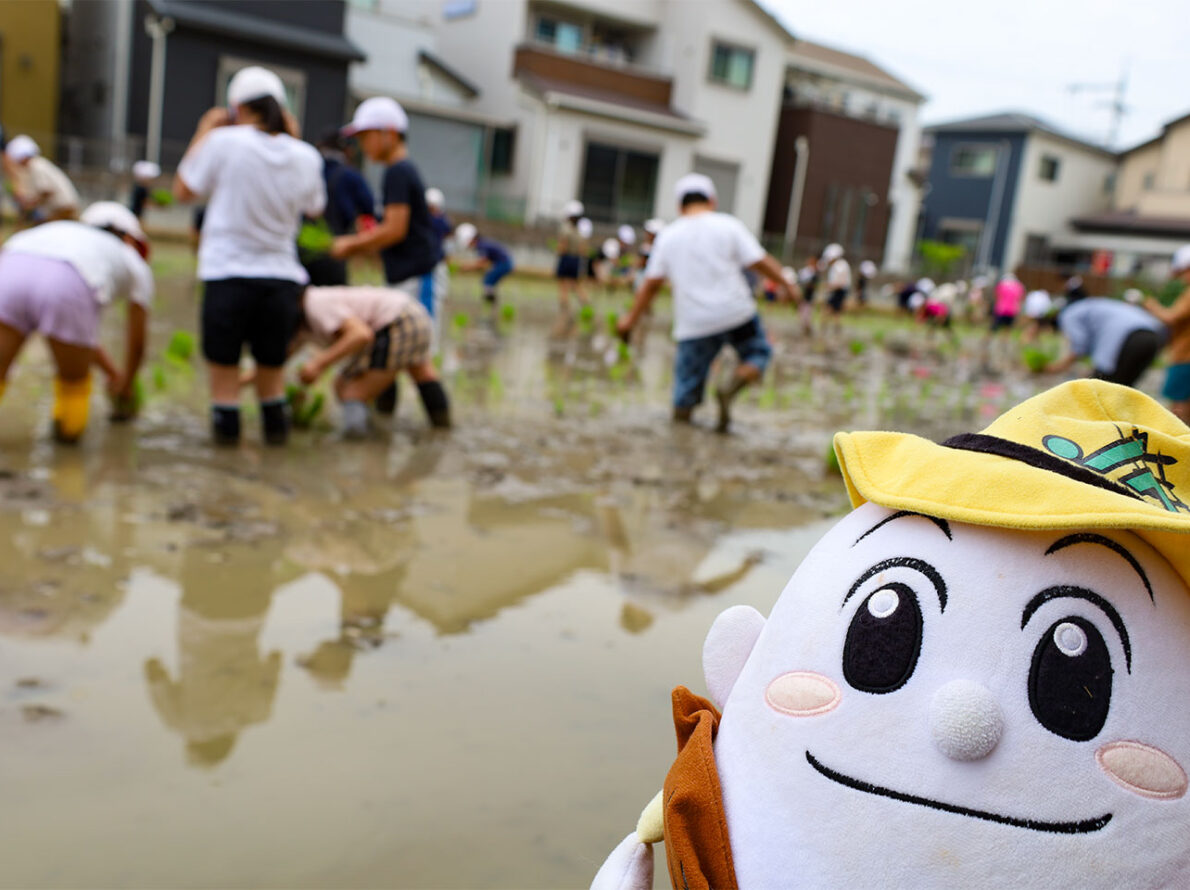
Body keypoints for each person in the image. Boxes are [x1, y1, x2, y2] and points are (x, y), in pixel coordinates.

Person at [173, 65, 326, 446]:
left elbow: (183, 190)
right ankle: (274, 468)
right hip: (281, 281)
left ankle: (226, 480)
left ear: (236, 108)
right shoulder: (306, 155)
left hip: (228, 275)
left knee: (225, 384)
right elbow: (315, 208)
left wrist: (204, 130)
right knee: (271, 381)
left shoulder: (224, 142)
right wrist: (293, 140)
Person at [616, 173, 799, 432]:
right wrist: (788, 285)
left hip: (695, 323)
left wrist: (629, 321)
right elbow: (759, 261)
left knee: (685, 391)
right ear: (712, 201)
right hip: (737, 313)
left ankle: (681, 433)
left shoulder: (668, 236)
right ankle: (731, 385)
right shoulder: (728, 225)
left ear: (680, 206)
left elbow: (650, 285)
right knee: (758, 352)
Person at [330, 97, 449, 428]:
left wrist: (350, 245)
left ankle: (440, 430)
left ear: (389, 134)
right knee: (399, 352)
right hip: (404, 276)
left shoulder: (399, 171)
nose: (362, 144)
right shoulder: (397, 172)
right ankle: (388, 427)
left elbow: (394, 230)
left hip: (419, 275)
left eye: (366, 135)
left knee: (415, 356)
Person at [0, 202, 152, 442]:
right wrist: (126, 384)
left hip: (10, 265)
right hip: (68, 280)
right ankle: (66, 456)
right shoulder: (132, 260)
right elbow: (137, 343)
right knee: (73, 383)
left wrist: (112, 373)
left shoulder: (61, 231)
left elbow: (84, 337)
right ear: (130, 238)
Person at [290, 285, 450, 437]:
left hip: (397, 320)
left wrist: (319, 364)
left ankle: (362, 445)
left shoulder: (314, 303)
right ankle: (442, 431)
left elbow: (360, 335)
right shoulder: (304, 314)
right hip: (410, 313)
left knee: (349, 391)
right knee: (421, 372)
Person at [303, 130, 376, 287]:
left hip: (302, 249)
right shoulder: (351, 176)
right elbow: (369, 208)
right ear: (347, 150)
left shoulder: (307, 168)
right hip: (336, 248)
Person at [1044, 296, 1167, 386]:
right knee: (1125, 389)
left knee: (1103, 388)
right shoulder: (1089, 306)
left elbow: (1079, 345)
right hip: (1153, 337)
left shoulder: (1067, 315)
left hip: (1127, 338)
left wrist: (1059, 366)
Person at [1144, 244, 1190, 424]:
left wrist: (1151, 305)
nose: (1181, 278)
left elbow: (1171, 317)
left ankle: (1180, 446)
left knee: (1178, 408)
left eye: (1182, 272)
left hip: (1184, 356)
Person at [5, 135, 80, 224]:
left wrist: (32, 204)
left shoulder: (36, 165)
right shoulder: (37, 166)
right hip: (61, 209)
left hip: (63, 209)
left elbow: (47, 191)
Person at [453, 222, 513, 304]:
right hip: (505, 262)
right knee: (489, 281)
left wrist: (466, 268)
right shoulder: (483, 243)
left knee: (488, 281)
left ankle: (489, 303)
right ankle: (489, 302)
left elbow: (481, 263)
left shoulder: (481, 246)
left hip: (504, 264)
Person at [555, 200, 589, 312]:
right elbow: (583, 249)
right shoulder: (581, 231)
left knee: (563, 285)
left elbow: (562, 247)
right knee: (576, 285)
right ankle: (586, 304)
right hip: (576, 260)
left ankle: (564, 309)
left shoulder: (565, 229)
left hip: (566, 258)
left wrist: (558, 249)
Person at [821, 243, 851, 319]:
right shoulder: (839, 265)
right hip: (838, 290)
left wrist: (829, 287)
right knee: (836, 311)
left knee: (830, 309)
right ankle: (833, 327)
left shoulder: (839, 266)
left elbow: (840, 282)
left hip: (838, 290)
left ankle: (824, 326)